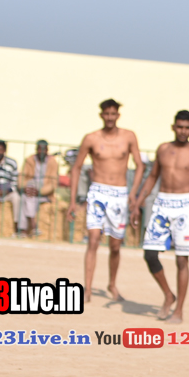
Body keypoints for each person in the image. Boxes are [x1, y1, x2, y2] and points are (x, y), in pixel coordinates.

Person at [129, 110, 189, 324]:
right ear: (173, 127)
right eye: (180, 127)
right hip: (162, 204)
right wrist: (137, 204)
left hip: (184, 206)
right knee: (150, 254)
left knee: (182, 260)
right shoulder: (163, 149)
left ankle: (179, 311)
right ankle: (168, 294)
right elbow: (152, 177)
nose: (183, 131)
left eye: (187, 127)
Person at [67, 99, 143, 302]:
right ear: (101, 115)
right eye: (106, 114)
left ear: (118, 115)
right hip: (98, 192)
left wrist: (133, 193)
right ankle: (87, 288)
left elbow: (140, 165)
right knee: (93, 240)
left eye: (113, 114)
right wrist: (73, 201)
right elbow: (76, 167)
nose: (110, 117)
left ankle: (112, 284)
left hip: (119, 193)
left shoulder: (128, 137)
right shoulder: (91, 138)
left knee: (115, 246)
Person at [19, 140, 59, 237]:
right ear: (36, 150)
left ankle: (25, 229)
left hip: (44, 192)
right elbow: (21, 178)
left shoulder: (53, 162)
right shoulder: (29, 160)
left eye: (44, 149)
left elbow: (53, 183)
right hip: (30, 189)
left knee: (28, 197)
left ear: (47, 150)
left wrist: (39, 191)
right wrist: (25, 188)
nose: (41, 151)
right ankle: (30, 227)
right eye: (39, 149)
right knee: (25, 197)